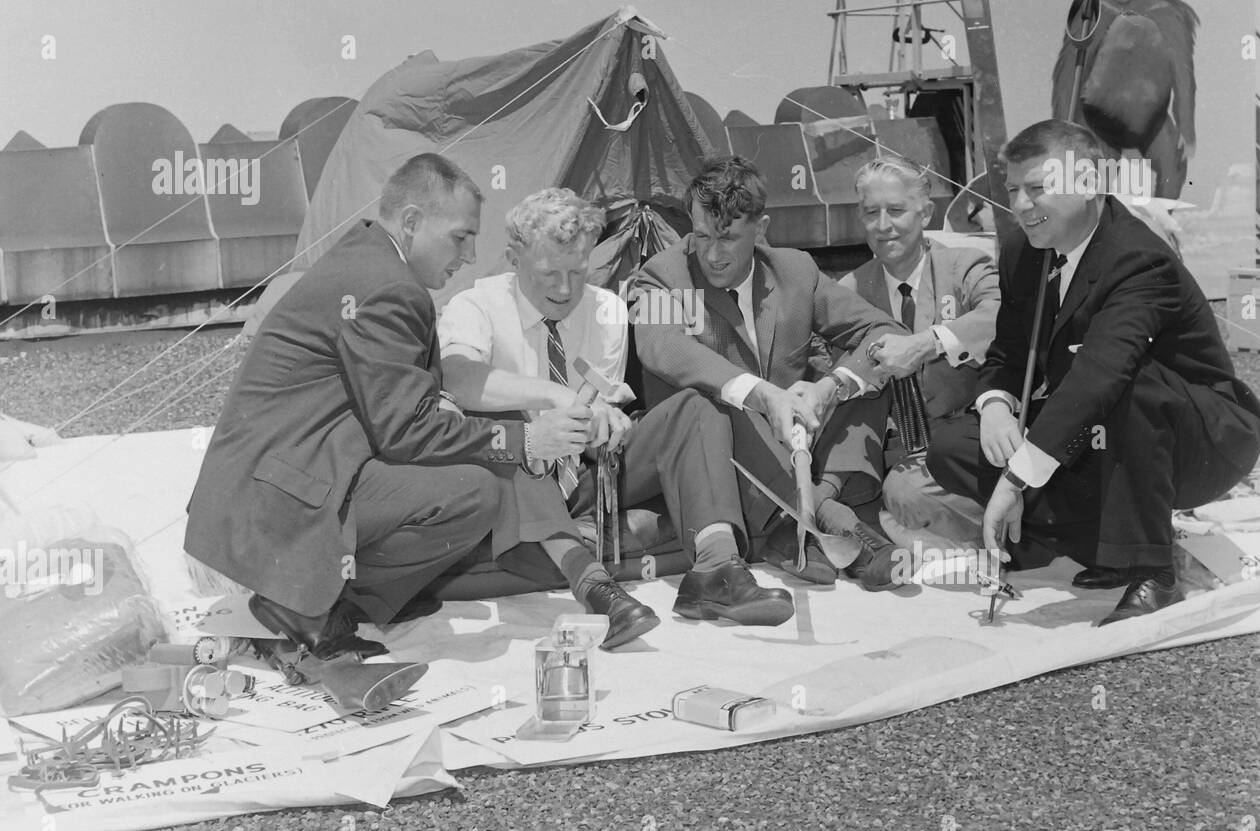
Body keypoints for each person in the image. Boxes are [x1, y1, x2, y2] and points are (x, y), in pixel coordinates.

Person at [183, 153, 591, 658]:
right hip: (275, 502)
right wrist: (527, 440)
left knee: (465, 470)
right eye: (461, 236)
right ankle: (310, 605)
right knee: (475, 492)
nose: (467, 255)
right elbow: (407, 432)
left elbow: (397, 399)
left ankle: (338, 597)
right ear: (413, 221)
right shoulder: (391, 288)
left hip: (260, 483)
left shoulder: (368, 258)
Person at [926, 120, 1260, 625]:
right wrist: (996, 406)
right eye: (1014, 189)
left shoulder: (1137, 259)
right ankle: (1098, 542)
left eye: (1038, 188)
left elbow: (1100, 376)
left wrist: (1016, 479)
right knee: (954, 446)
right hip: (1104, 430)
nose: (1020, 204)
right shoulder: (1024, 249)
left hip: (1197, 439)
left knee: (1130, 384)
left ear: (1088, 184)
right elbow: (1009, 351)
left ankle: (1152, 568)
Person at [438, 188, 795, 637]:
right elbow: (458, 379)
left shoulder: (606, 309)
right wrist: (554, 398)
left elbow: (597, 407)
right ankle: (595, 586)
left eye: (578, 270)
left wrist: (606, 422)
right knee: (514, 426)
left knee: (694, 408)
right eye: (548, 273)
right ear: (513, 257)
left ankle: (718, 569)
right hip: (516, 484)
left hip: (585, 476)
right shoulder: (476, 306)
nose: (565, 289)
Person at [629, 154, 911, 590]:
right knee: (715, 402)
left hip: (797, 438)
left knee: (866, 370)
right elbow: (663, 347)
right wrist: (763, 394)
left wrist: (827, 389)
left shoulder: (796, 270)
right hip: (721, 452)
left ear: (761, 230)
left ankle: (805, 517)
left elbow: (884, 330)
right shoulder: (662, 277)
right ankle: (837, 525)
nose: (712, 253)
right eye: (701, 235)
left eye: (729, 238)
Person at [837, 156, 999, 547]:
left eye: (896, 210)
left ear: (925, 212)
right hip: (894, 449)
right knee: (891, 496)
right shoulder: (847, 291)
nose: (883, 225)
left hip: (968, 439)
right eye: (870, 212)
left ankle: (1018, 531)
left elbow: (1001, 315)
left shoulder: (964, 266)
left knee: (905, 497)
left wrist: (927, 343)